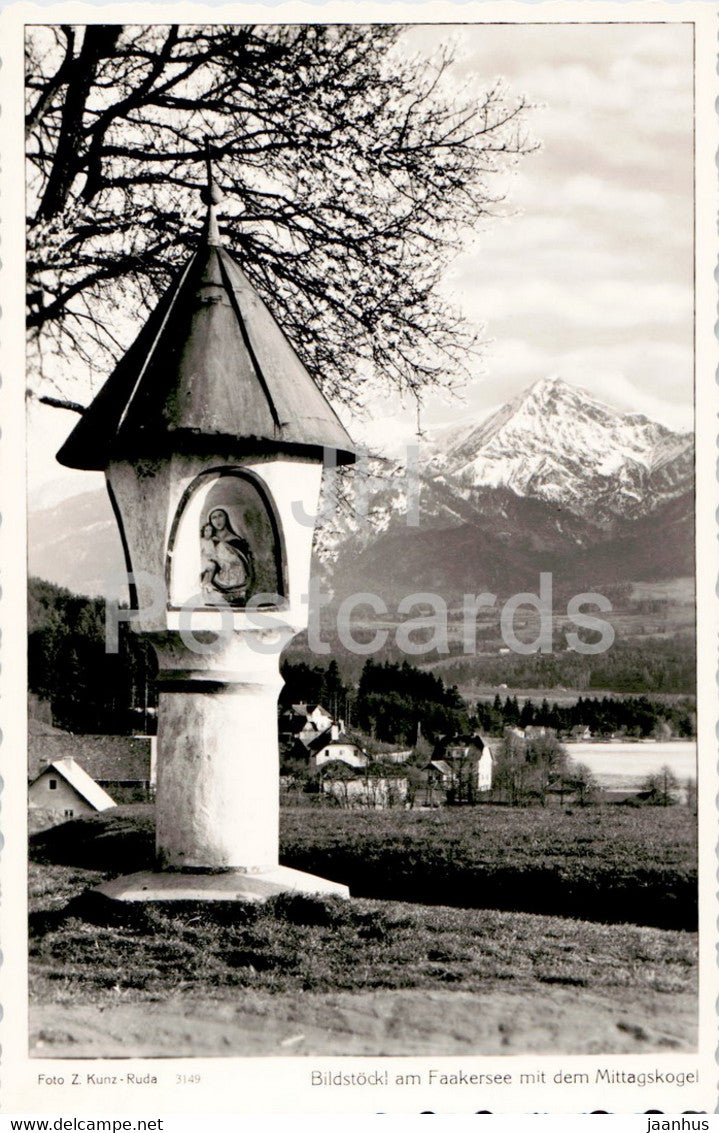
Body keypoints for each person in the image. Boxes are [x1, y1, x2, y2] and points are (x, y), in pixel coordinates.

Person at [201, 508, 255, 604]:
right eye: (214, 517)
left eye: (220, 516)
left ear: (226, 518)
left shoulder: (235, 540)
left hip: (234, 579)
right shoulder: (209, 541)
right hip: (215, 578)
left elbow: (244, 563)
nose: (218, 520)